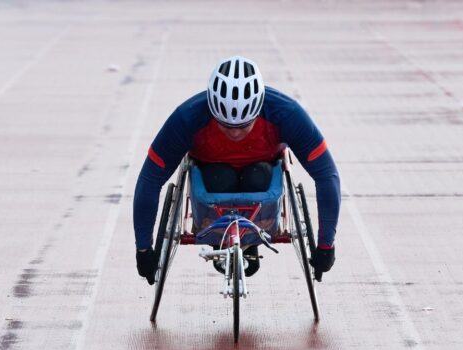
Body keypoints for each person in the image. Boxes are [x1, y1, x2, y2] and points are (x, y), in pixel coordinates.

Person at [133, 55, 340, 284]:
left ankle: (250, 240)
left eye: (244, 126)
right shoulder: (186, 118)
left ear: (258, 109)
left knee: (258, 176)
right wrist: (143, 249)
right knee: (220, 178)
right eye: (225, 125)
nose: (234, 133)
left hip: (261, 177)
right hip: (212, 179)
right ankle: (220, 236)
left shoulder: (287, 114)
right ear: (212, 110)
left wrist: (325, 245)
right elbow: (150, 180)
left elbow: (326, 174)